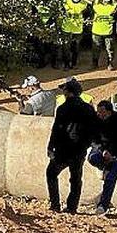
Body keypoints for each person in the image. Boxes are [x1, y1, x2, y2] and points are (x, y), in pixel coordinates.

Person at [47, 78, 97, 214]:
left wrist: (51, 147)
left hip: (63, 149)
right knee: (75, 179)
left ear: (68, 92)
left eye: (64, 90)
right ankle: (72, 207)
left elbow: (57, 129)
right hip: (79, 150)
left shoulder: (63, 108)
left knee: (51, 173)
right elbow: (94, 129)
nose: (63, 92)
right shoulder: (88, 108)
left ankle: (55, 205)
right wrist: (87, 145)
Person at [88, 101, 117, 215]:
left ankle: (103, 205)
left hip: (115, 153)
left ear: (109, 112)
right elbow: (93, 139)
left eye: (102, 112)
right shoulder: (95, 120)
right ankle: (102, 167)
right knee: (92, 158)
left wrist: (113, 153)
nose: (99, 114)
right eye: (98, 111)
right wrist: (102, 150)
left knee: (111, 179)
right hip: (100, 150)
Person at [59, 0, 90, 69]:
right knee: (66, 47)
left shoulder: (84, 4)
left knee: (75, 47)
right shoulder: (66, 1)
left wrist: (85, 21)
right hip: (66, 28)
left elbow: (87, 15)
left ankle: (74, 63)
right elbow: (61, 11)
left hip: (78, 29)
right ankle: (66, 64)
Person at [90, 0, 117, 71]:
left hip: (109, 30)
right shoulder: (95, 3)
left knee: (110, 48)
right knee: (96, 48)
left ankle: (110, 63)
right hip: (97, 30)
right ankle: (94, 63)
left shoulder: (115, 5)